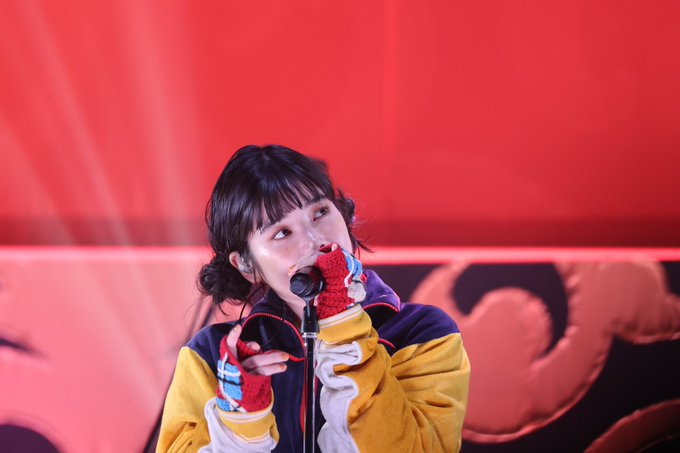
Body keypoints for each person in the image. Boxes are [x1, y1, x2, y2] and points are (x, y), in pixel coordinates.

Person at [157, 145, 470, 452]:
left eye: (320, 212)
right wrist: (240, 424)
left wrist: (343, 327)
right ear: (247, 265)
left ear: (343, 214)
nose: (315, 239)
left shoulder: (422, 333)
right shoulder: (210, 356)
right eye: (282, 232)